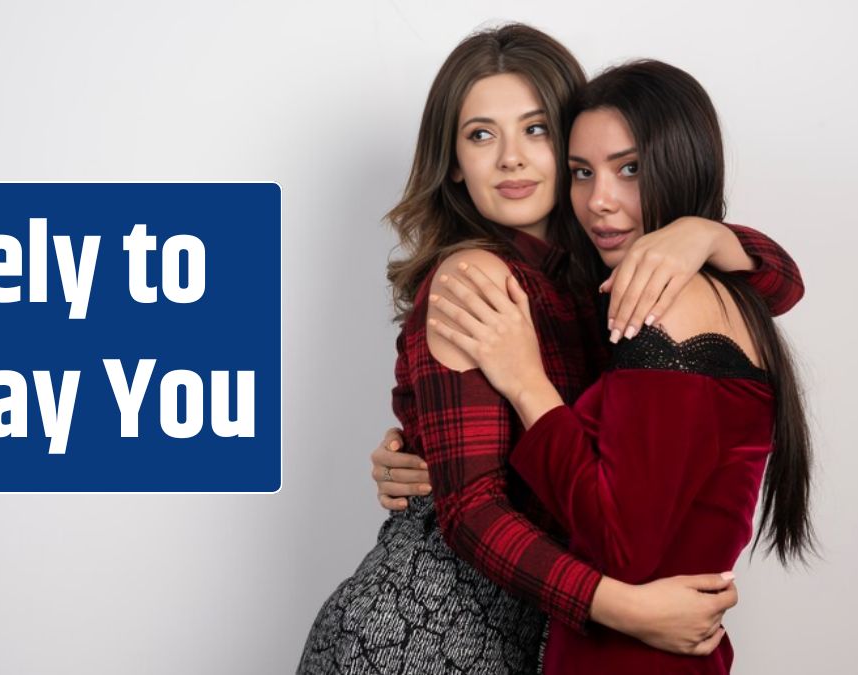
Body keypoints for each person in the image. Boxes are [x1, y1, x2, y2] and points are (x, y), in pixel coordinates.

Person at [298, 25, 803, 675]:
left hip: (530, 633)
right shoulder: (475, 278)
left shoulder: (602, 268)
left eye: (535, 130)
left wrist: (703, 236)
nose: (511, 158)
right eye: (481, 135)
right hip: (426, 636)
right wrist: (622, 606)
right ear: (453, 161)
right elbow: (472, 510)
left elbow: (780, 287)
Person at [425, 59, 815, 673]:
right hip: (516, 632)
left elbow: (619, 542)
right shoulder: (589, 285)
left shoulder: (665, 297)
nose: (600, 201)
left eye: (629, 169)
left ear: (680, 163)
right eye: (584, 172)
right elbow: (472, 502)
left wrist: (704, 233)